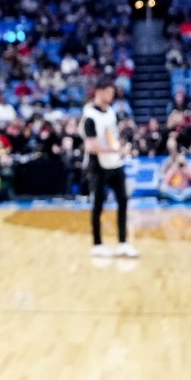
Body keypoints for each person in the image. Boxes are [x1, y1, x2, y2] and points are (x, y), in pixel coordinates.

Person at [82, 81, 137, 257]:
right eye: (109, 91)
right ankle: (97, 244)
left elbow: (111, 136)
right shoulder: (89, 116)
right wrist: (117, 149)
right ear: (99, 91)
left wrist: (120, 148)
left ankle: (123, 242)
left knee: (123, 200)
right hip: (97, 165)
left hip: (115, 162)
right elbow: (92, 146)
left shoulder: (111, 111)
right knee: (98, 205)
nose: (112, 95)